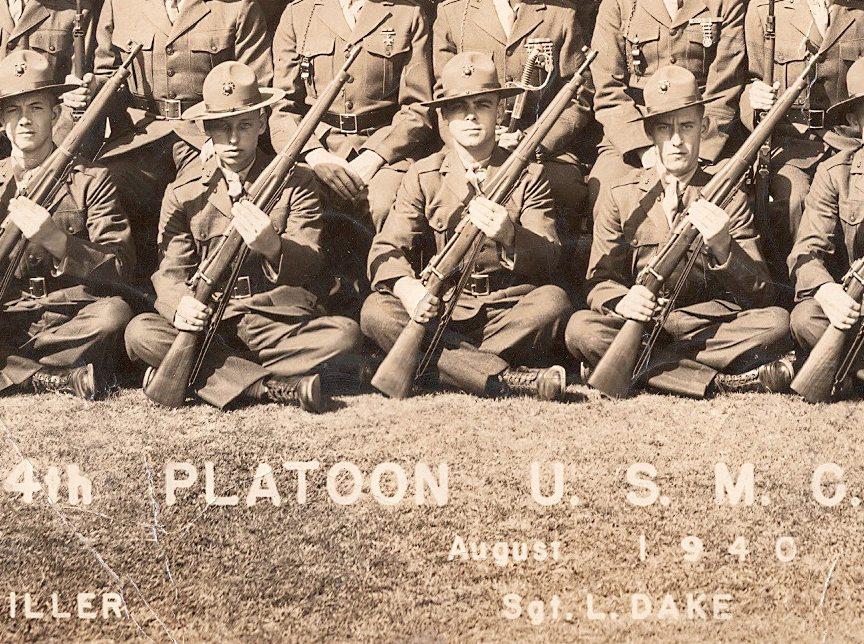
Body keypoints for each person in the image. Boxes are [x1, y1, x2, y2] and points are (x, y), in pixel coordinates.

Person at [124, 61, 363, 413]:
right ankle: (270, 387)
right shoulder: (184, 192)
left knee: (344, 337)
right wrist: (180, 307)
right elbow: (171, 272)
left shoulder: (297, 181)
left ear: (262, 123)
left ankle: (211, 374)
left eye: (244, 125)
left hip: (273, 321)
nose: (234, 139)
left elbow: (311, 261)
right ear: (206, 128)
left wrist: (273, 246)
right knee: (140, 333)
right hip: (210, 322)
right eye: (222, 128)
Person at [566, 65, 794, 398]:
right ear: (650, 133)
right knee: (581, 329)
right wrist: (623, 302)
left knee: (776, 324)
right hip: (644, 323)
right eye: (665, 128)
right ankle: (719, 381)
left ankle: (639, 368)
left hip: (701, 326)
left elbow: (760, 294)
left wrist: (724, 247)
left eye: (686, 126)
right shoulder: (621, 194)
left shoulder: (729, 195)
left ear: (703, 127)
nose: (676, 141)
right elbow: (600, 281)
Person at [361, 52, 572, 401]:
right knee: (376, 311)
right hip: (442, 309)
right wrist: (407, 289)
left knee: (554, 302)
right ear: (445, 116)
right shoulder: (424, 174)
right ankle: (504, 377)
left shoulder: (529, 176)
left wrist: (510, 235)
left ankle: (438, 367)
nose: (471, 116)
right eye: (459, 107)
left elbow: (549, 256)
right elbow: (387, 249)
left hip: (504, 310)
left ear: (499, 112)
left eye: (483, 105)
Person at [68, 0, 273, 281]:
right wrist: (91, 89)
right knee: (103, 187)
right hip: (139, 136)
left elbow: (257, 88)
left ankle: (195, 287)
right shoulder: (119, 4)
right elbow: (108, 75)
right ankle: (124, 288)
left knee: (210, 192)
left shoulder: (237, 7)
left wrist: (219, 131)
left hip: (204, 135)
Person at [432, 0, 595, 294]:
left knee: (565, 186)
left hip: (539, 147)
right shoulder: (454, 12)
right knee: (445, 189)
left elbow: (578, 97)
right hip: (472, 144)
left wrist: (531, 141)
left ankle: (552, 288)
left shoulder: (561, 14)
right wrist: (481, 143)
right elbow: (443, 98)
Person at [0, 50, 133, 400]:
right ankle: (52, 377)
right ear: (2, 121)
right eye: (13, 110)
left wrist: (57, 241)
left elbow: (120, 267)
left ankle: (18, 370)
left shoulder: (91, 180)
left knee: (114, 316)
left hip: (68, 315)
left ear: (56, 114)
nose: (24, 120)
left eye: (36, 108)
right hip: (9, 313)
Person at [269, 0, 434, 233]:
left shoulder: (407, 14)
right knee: (292, 207)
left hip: (384, 150)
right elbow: (283, 109)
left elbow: (418, 108)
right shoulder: (299, 14)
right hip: (317, 148)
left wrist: (375, 157)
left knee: (384, 205)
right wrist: (316, 156)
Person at [742, 0, 864, 289]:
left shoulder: (859, 11)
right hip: (791, 141)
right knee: (794, 198)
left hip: (847, 138)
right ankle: (801, 289)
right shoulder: (765, 9)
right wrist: (753, 97)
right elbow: (747, 81)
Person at [588, 0, 745, 214]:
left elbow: (725, 89)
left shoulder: (725, 3)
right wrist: (645, 151)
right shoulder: (618, 4)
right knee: (608, 187)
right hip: (635, 134)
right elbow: (609, 91)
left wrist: (693, 154)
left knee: (725, 193)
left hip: (701, 136)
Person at [789, 57, 864, 389]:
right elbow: (806, 252)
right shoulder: (835, 174)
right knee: (806, 317)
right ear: (854, 120)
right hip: (858, 309)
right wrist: (827, 290)